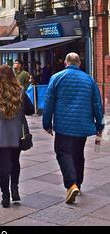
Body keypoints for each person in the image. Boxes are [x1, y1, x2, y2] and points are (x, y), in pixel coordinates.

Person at [42, 52, 104, 204]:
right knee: (77, 153)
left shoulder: (56, 78)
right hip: (82, 125)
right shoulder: (89, 80)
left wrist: (47, 124)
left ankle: (71, 184)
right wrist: (99, 125)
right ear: (79, 63)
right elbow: (97, 104)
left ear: (65, 63)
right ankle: (78, 182)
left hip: (63, 125)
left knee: (63, 153)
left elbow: (48, 102)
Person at [0, 65, 34, 207]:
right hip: (16, 132)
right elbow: (30, 110)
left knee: (3, 165)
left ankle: (5, 196)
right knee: (15, 161)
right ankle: (15, 189)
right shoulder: (20, 92)